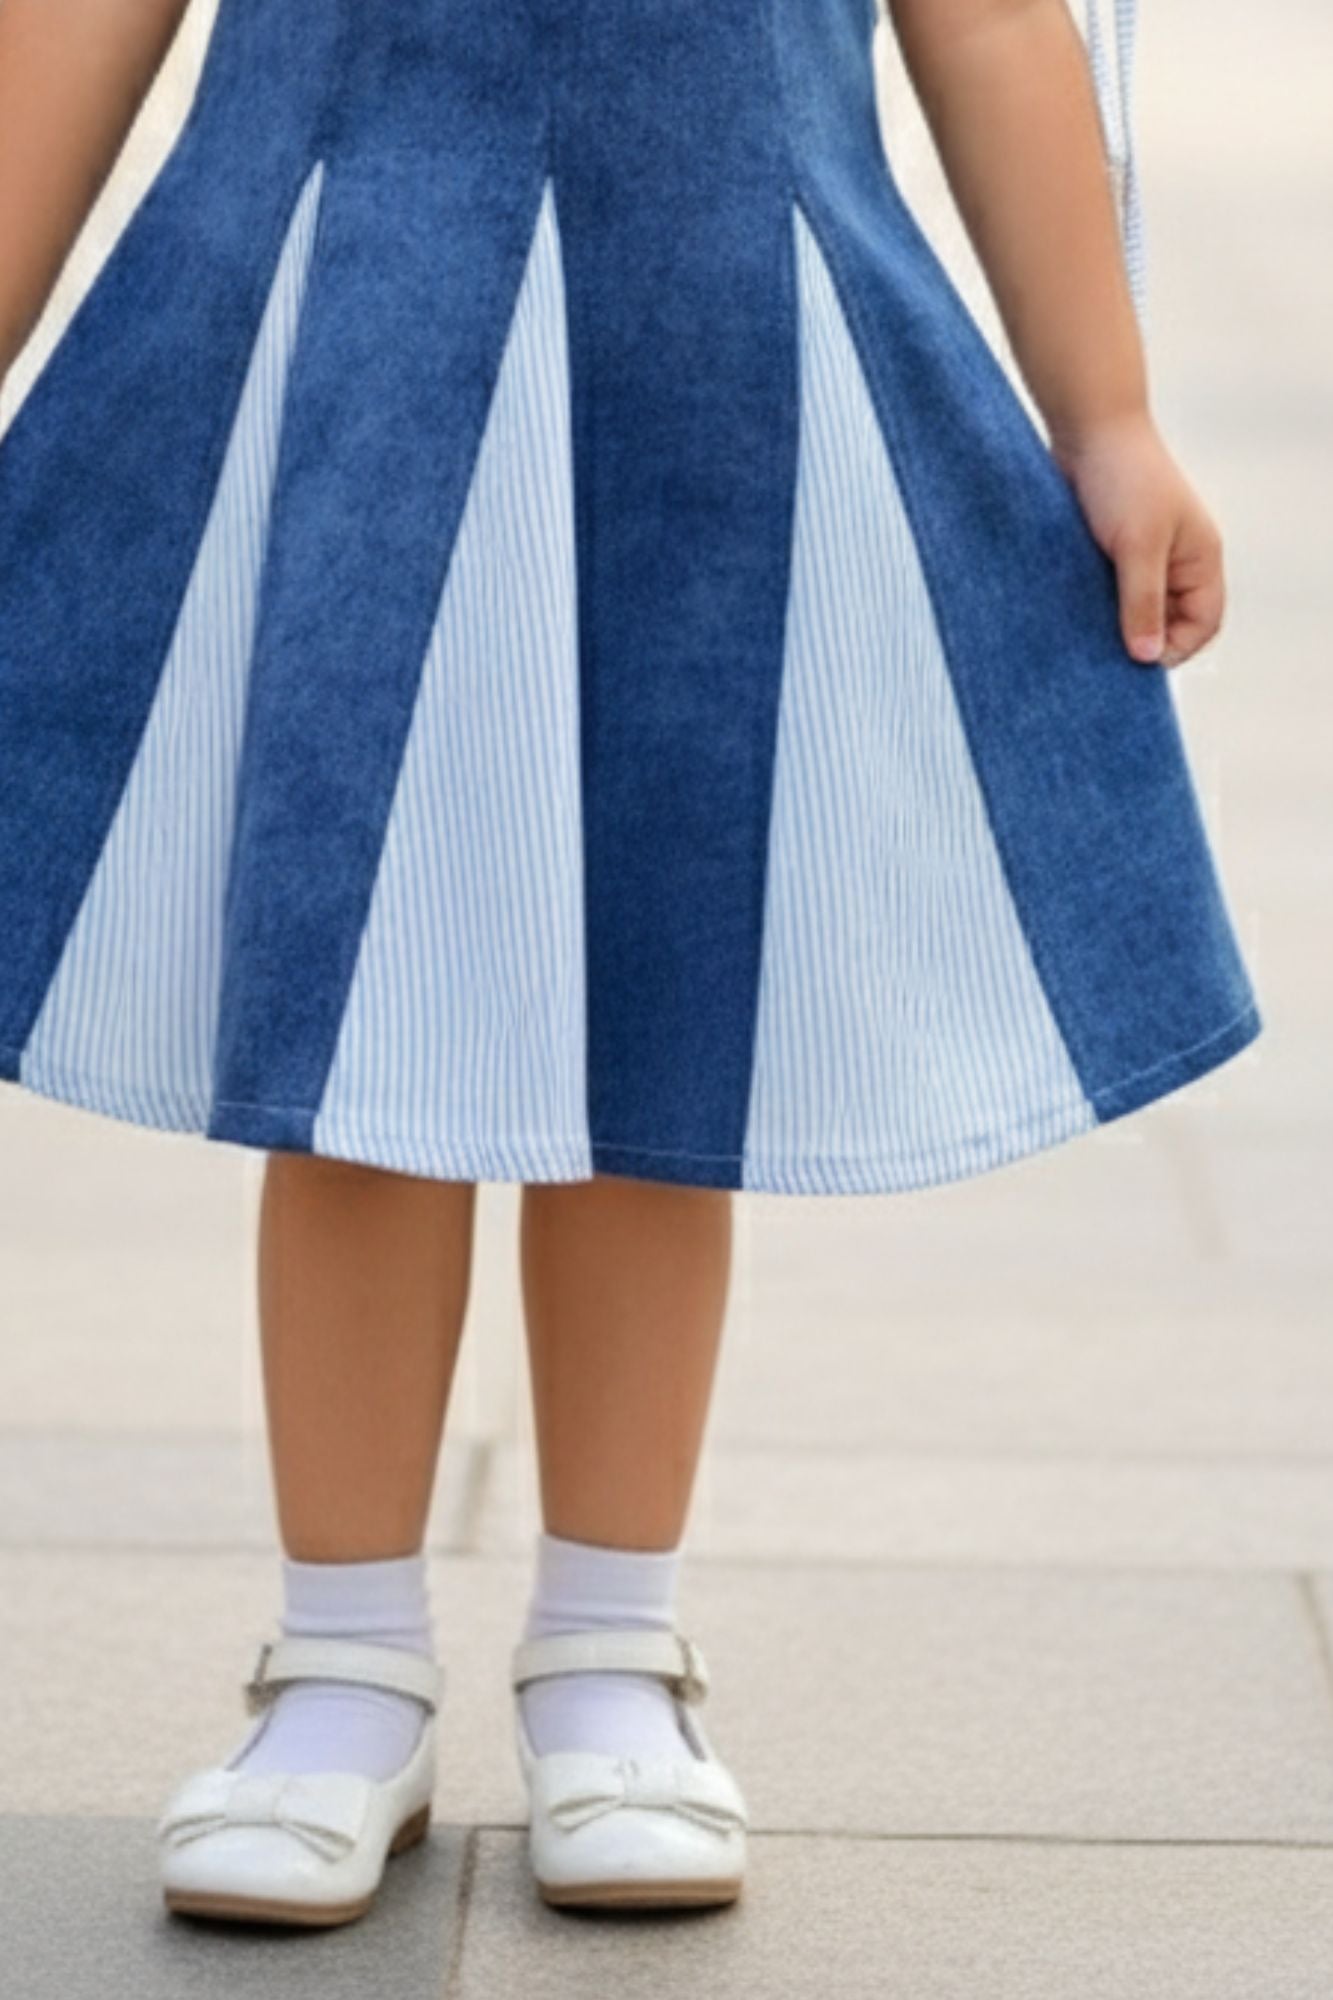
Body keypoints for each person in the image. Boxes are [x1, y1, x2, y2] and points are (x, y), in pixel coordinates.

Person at [0, 0, 1261, 1928]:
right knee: (353, 1029)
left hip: (716, 336)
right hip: (350, 311)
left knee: (667, 1014)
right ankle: (341, 1662)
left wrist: (1106, 414)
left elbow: (992, 21)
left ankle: (610, 1641)